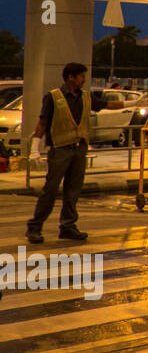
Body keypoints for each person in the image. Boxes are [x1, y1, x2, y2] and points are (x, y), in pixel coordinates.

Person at [27, 61, 92, 244]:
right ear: (70, 77)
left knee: (73, 190)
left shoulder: (85, 96)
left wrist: (135, 102)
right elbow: (43, 123)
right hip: (60, 151)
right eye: (81, 76)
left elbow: (106, 104)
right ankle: (34, 227)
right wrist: (35, 149)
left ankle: (68, 227)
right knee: (51, 190)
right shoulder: (53, 97)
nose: (83, 80)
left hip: (79, 150)